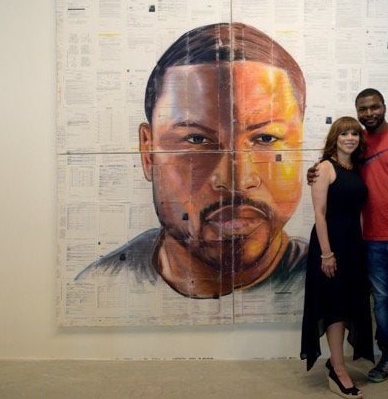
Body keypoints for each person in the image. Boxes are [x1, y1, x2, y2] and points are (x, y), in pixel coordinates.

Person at [76, 23, 307, 303]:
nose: (237, 178)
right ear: (148, 153)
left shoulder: (329, 284)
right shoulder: (96, 287)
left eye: (266, 138)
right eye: (197, 139)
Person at [308, 88, 388, 395]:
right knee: (381, 302)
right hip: (370, 241)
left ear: (383, 107)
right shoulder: (360, 147)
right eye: (363, 109)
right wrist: (317, 172)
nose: (369, 113)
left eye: (374, 107)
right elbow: (336, 176)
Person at [300, 116, 373, 399]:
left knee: (346, 305)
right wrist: (327, 254)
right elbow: (319, 213)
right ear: (335, 137)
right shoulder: (324, 168)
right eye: (344, 134)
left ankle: (336, 362)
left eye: (354, 133)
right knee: (333, 307)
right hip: (330, 248)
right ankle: (338, 371)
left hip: (353, 246)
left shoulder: (355, 168)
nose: (350, 138)